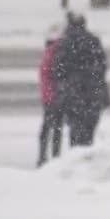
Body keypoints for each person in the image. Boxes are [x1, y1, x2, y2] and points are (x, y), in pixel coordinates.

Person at [53, 13, 110, 146]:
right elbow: (102, 66)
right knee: (89, 133)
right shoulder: (93, 41)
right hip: (93, 94)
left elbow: (59, 70)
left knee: (75, 133)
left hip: (74, 95)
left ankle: (78, 158)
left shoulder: (65, 43)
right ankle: (87, 157)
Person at [37, 25, 64, 167]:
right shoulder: (56, 54)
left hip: (47, 96)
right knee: (56, 128)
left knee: (47, 128)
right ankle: (55, 157)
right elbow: (55, 76)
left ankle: (42, 157)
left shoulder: (48, 53)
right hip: (54, 96)